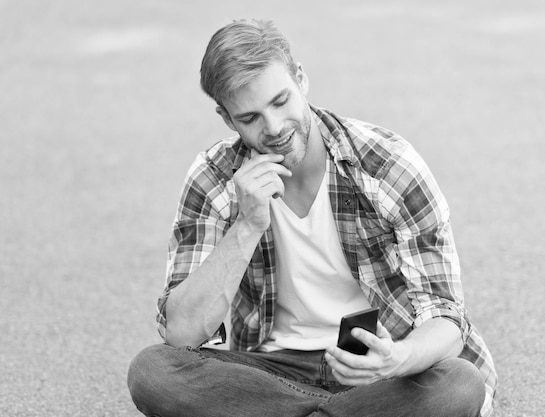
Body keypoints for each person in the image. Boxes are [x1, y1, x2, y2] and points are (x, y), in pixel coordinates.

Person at [127, 19, 497, 417]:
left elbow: (445, 317)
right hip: (272, 373)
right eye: (250, 118)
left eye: (280, 101)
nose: (274, 128)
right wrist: (247, 225)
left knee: (457, 384)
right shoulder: (214, 179)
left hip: (380, 369)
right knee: (152, 371)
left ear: (300, 78)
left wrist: (397, 358)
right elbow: (182, 332)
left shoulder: (387, 164)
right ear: (226, 118)